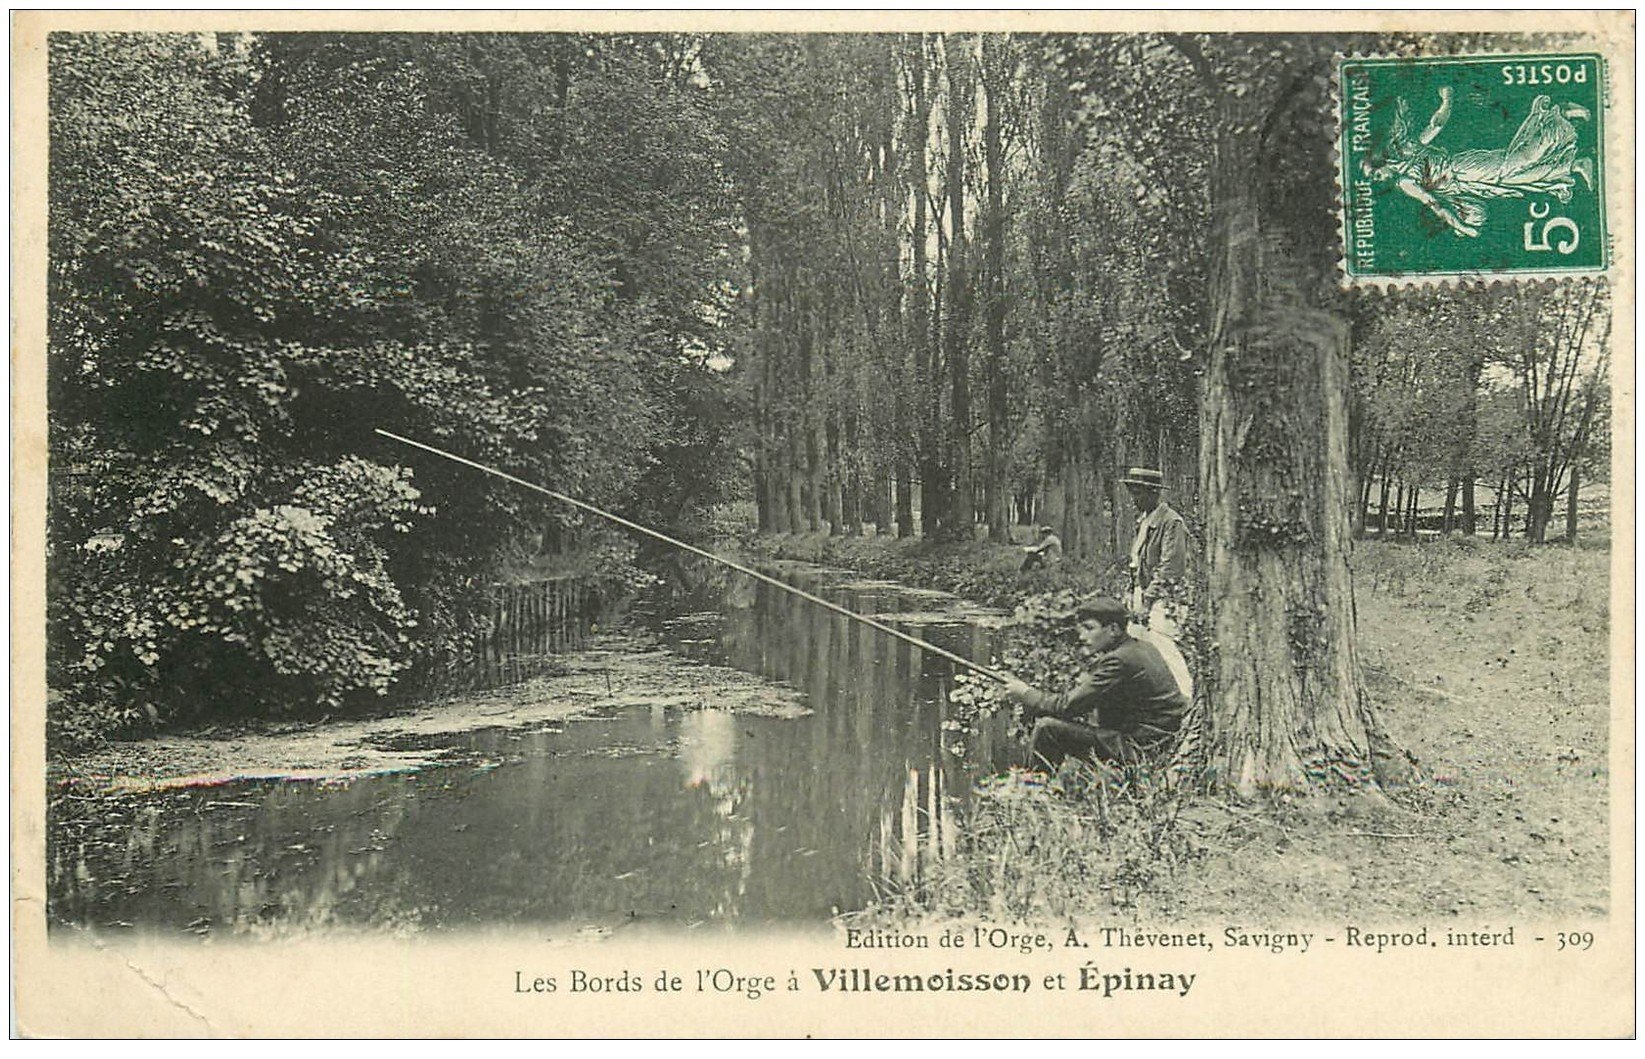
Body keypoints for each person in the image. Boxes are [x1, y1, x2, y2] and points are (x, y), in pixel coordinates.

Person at [1002, 597, 1187, 769]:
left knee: (1047, 728)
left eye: (1089, 628)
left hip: (1142, 749)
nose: (1082, 637)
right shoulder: (1141, 647)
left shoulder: (1119, 660)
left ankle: (1033, 790)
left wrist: (1025, 693)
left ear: (1114, 630)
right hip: (1159, 741)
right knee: (1053, 718)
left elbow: (1068, 705)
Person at [1121, 465, 1188, 639]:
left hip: (1164, 600)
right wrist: (1131, 592)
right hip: (1143, 595)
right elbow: (1137, 563)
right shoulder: (1143, 521)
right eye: (1132, 494)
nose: (1134, 499)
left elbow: (1170, 567)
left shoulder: (1171, 522)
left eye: (1138, 494)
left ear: (1153, 493)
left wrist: (1148, 600)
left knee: (1162, 649)